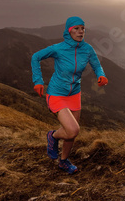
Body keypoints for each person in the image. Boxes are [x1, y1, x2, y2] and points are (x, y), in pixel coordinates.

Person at [31, 16, 108, 174]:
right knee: (72, 130)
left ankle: (63, 162)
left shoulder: (87, 49)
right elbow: (35, 57)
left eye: (83, 28)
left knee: (71, 135)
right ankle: (53, 136)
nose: (81, 31)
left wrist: (101, 75)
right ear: (69, 31)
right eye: (77, 28)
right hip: (56, 93)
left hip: (75, 94)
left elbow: (96, 64)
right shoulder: (58, 48)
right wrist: (38, 81)